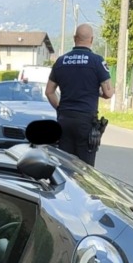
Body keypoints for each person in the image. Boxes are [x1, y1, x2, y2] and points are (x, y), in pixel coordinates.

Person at [45, 25, 114, 165]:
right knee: (85, 169)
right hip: (85, 122)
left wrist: (60, 108)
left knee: (65, 165)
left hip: (64, 120)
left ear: (74, 38)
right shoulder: (97, 61)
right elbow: (108, 93)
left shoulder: (61, 61)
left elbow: (49, 91)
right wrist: (96, 91)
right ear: (92, 40)